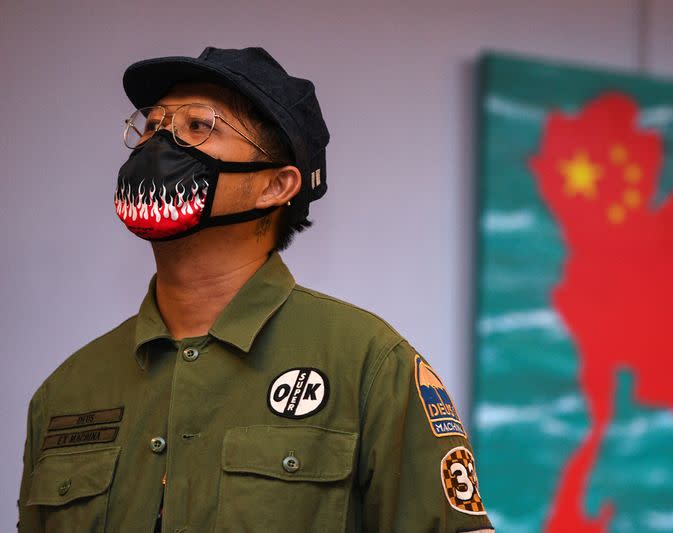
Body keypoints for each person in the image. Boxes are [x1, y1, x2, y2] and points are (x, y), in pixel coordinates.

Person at [17, 46, 494, 533]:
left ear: (276, 186)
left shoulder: (369, 366)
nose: (158, 142)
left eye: (198, 126)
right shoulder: (66, 392)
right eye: (153, 124)